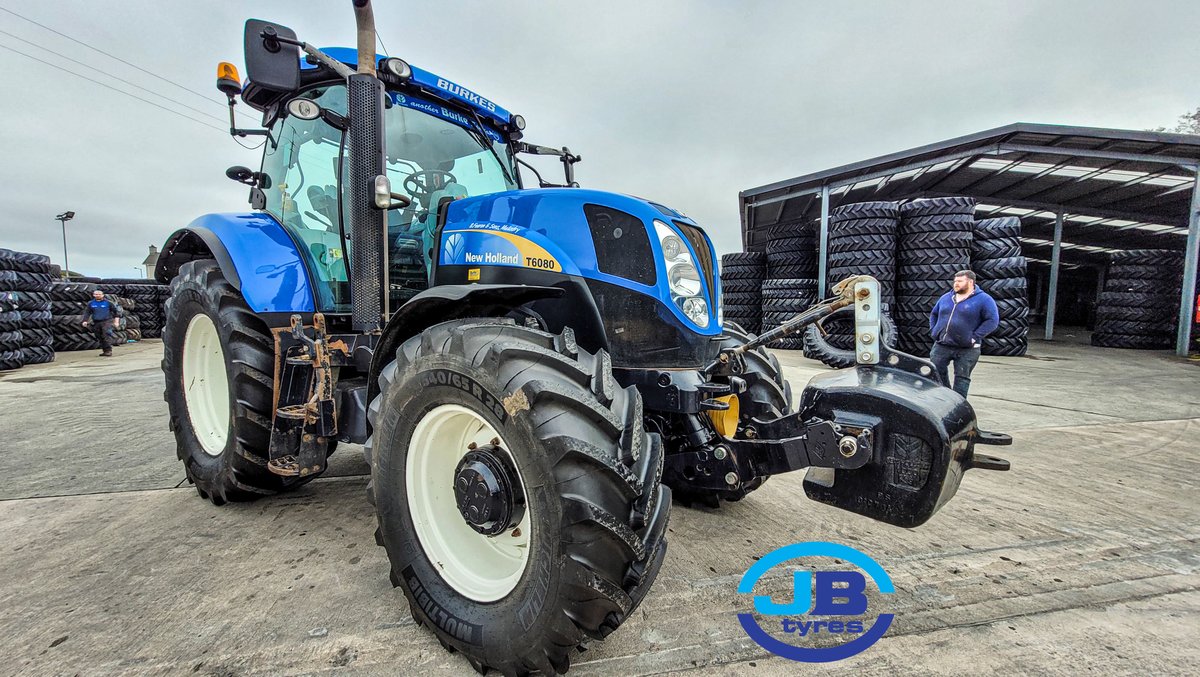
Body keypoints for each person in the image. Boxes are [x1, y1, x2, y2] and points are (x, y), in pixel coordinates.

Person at [928, 270, 999, 397]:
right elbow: (934, 314)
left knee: (962, 377)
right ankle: (946, 397)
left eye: (960, 281)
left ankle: (959, 403)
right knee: (936, 372)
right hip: (942, 345)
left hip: (968, 348)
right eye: (955, 281)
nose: (956, 284)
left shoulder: (984, 299)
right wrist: (934, 331)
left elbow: (992, 321)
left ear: (970, 282)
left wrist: (974, 337)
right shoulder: (946, 298)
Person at [80, 290, 124, 357]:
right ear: (93, 295)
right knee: (99, 336)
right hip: (96, 322)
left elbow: (116, 312)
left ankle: (109, 350)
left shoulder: (108, 303)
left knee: (106, 334)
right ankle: (105, 351)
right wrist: (85, 321)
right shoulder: (91, 303)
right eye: (96, 294)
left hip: (107, 321)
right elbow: (87, 312)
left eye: (99, 294)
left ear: (103, 295)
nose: (97, 295)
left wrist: (116, 322)